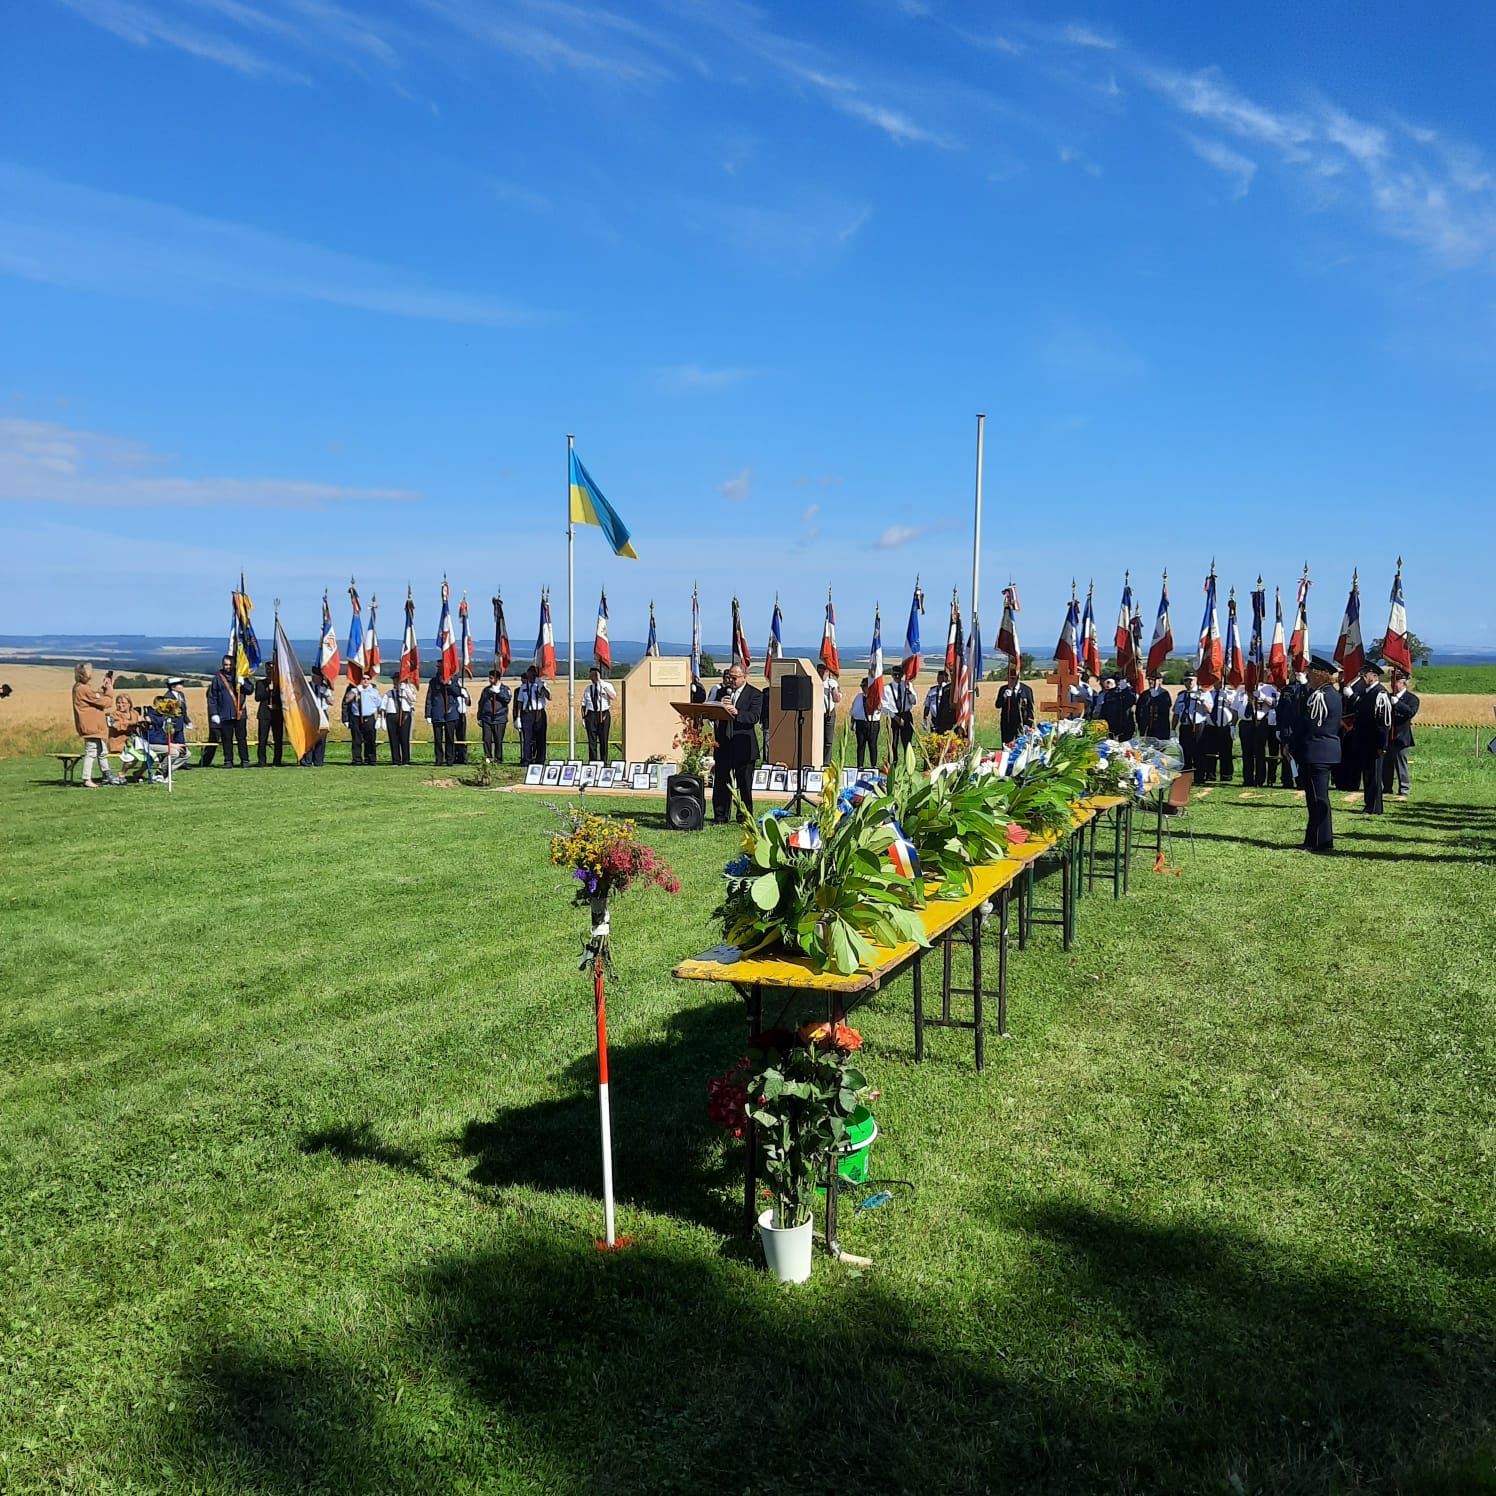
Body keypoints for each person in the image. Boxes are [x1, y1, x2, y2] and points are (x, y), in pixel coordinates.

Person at [1292, 655, 1343, 853]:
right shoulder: (1331, 693)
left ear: (1320, 675)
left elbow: (1311, 725)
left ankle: (1320, 841)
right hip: (1322, 751)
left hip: (1316, 751)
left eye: (1311, 673)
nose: (1308, 676)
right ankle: (1316, 839)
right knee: (1316, 799)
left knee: (1317, 800)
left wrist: (1294, 744)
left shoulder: (1321, 695)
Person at [710, 662, 763, 823]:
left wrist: (737, 712)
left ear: (744, 677)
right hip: (724, 745)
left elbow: (754, 717)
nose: (731, 681)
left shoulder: (754, 694)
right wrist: (719, 706)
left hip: (743, 746)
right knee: (721, 783)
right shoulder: (722, 692)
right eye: (729, 677)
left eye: (735, 678)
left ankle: (744, 817)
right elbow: (712, 712)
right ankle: (720, 816)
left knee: (744, 785)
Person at [1351, 661, 1392, 814]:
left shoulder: (1380, 694)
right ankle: (1369, 804)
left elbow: (1383, 722)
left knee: (1374, 776)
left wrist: (1383, 745)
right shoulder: (1366, 693)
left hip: (1375, 742)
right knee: (1367, 775)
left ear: (1374, 676)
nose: (1362, 678)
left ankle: (1375, 807)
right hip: (1365, 740)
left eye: (1365, 675)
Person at [72, 662, 119, 787]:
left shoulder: (80, 688)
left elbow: (95, 696)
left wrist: (103, 688)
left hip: (94, 726)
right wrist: (109, 689)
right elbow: (105, 702)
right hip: (91, 726)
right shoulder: (83, 689)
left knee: (102, 751)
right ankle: (86, 778)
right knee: (92, 751)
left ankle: (106, 774)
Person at [208, 654, 251, 768]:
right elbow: (212, 697)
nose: (228, 667)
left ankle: (245, 760)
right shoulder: (218, 678)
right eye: (226, 665)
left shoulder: (240, 675)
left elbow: (250, 690)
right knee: (227, 739)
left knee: (242, 738)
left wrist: (243, 683)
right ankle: (228, 761)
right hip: (224, 714)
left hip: (240, 714)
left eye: (230, 665)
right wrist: (214, 713)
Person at [1383, 668, 1420, 798]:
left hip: (1401, 736)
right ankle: (1387, 787)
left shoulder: (1412, 699)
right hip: (1388, 736)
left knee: (1401, 764)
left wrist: (1398, 703)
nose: (1393, 685)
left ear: (1403, 683)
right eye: (1392, 682)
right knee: (1386, 765)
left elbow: (1410, 712)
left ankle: (1404, 788)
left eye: (1395, 682)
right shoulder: (1388, 697)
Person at [107, 692, 149, 782]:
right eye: (118, 703)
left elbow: (140, 726)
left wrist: (145, 722)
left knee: (150, 756)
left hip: (136, 742)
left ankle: (139, 773)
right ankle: (122, 773)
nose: (120, 705)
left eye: (123, 703)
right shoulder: (114, 714)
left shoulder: (134, 713)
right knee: (133, 756)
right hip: (120, 743)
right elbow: (117, 725)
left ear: (129, 704)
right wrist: (133, 723)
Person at [579, 666, 617, 763]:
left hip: (603, 714)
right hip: (591, 715)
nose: (592, 677)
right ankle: (593, 762)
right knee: (592, 742)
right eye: (591, 675)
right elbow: (583, 705)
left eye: (595, 675)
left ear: (599, 675)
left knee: (603, 740)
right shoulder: (588, 689)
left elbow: (613, 697)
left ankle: (604, 762)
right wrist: (583, 718)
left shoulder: (607, 685)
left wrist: (603, 687)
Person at [1172, 672, 1206, 775]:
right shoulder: (1181, 696)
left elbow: (1209, 710)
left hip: (1197, 726)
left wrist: (1202, 700)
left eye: (1191, 680)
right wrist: (1173, 729)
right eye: (1186, 680)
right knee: (1185, 752)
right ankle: (1186, 776)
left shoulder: (1203, 693)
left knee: (1198, 752)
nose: (1189, 682)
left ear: (1196, 681)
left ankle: (1199, 776)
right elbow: (1176, 713)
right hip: (1184, 726)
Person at [515, 667, 550, 765]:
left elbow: (549, 696)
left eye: (532, 675)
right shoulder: (523, 687)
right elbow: (520, 702)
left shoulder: (542, 685)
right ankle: (527, 759)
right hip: (527, 713)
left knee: (540, 737)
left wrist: (540, 685)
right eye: (528, 675)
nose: (530, 677)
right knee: (527, 738)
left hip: (539, 713)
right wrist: (518, 717)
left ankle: (540, 759)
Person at [477, 670, 512, 763]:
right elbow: (481, 703)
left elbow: (507, 699)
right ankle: (487, 757)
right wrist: (479, 717)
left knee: (498, 739)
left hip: (500, 718)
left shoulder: (505, 689)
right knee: (486, 739)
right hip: (487, 719)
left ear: (497, 678)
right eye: (489, 678)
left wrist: (498, 693)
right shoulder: (486, 690)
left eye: (491, 678)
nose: (490, 680)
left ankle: (498, 758)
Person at [425, 668, 457, 767]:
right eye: (438, 667)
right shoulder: (433, 682)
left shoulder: (454, 679)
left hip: (450, 714)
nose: (439, 669)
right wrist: (428, 714)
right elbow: (429, 698)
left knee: (450, 738)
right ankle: (439, 759)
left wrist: (449, 684)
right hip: (437, 713)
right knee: (438, 739)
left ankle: (449, 759)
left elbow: (458, 692)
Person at [382, 674, 417, 764]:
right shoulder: (389, 693)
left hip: (405, 715)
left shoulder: (408, 691)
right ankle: (396, 760)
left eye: (398, 680)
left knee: (404, 739)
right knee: (393, 739)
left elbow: (413, 700)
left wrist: (405, 690)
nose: (396, 682)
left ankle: (406, 760)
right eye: (394, 680)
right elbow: (383, 707)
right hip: (392, 716)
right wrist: (381, 719)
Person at [254, 663, 284, 767]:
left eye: (271, 669)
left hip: (277, 715)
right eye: (268, 669)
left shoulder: (281, 684)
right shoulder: (260, 683)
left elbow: (285, 699)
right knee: (262, 740)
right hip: (264, 715)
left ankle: (277, 761)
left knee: (278, 739)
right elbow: (258, 697)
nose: (269, 671)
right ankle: (262, 761)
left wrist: (277, 705)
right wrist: (268, 690)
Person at [996, 665, 1035, 745]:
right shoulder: (1003, 689)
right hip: (1007, 722)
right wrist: (1004, 697)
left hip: (1022, 722)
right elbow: (998, 705)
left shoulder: (1026, 690)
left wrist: (1030, 723)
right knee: (1007, 745)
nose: (1011, 680)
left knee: (1022, 744)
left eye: (1014, 678)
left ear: (1018, 678)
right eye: (1010, 678)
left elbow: (1030, 707)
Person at [1091, 674, 1137, 741]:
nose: (1119, 683)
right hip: (1112, 726)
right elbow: (1104, 710)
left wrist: (1125, 689)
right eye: (1117, 681)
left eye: (1121, 681)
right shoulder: (1110, 694)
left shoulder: (1130, 691)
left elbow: (1130, 701)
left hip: (1126, 725)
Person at [301, 671, 333, 766]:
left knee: (321, 737)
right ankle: (308, 760)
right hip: (310, 713)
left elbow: (331, 702)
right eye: (318, 676)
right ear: (313, 676)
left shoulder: (325, 687)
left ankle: (318, 760)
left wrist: (325, 694)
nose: (321, 678)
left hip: (322, 712)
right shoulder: (307, 686)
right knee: (309, 737)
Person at [353, 672, 382, 765]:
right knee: (357, 740)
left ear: (370, 680)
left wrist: (379, 718)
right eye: (363, 678)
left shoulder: (374, 692)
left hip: (369, 717)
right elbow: (347, 701)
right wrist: (355, 692)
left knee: (370, 739)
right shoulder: (354, 690)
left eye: (367, 679)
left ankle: (370, 759)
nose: (365, 680)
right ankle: (357, 760)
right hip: (356, 717)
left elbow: (379, 705)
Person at [885, 672, 917, 756]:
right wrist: (895, 717)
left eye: (899, 674)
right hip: (893, 716)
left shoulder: (908, 685)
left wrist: (909, 691)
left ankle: (908, 761)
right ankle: (893, 762)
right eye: (895, 674)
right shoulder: (887, 688)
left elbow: (914, 701)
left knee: (907, 742)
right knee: (893, 742)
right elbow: (884, 706)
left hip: (906, 715)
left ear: (902, 675)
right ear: (892, 675)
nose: (897, 676)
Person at [1135, 670, 1172, 740]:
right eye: (1149, 679)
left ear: (1160, 681)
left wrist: (1155, 698)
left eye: (1153, 679)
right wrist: (1141, 725)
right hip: (1146, 729)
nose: (1150, 681)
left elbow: (1165, 709)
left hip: (1160, 729)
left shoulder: (1164, 694)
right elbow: (1138, 711)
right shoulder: (1144, 695)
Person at [820, 667, 841, 763]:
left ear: (828, 671)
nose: (821, 672)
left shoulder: (832, 683)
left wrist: (833, 688)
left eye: (823, 670)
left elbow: (837, 699)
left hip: (829, 713)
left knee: (828, 741)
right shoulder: (814, 681)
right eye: (819, 669)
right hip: (818, 714)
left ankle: (826, 763)